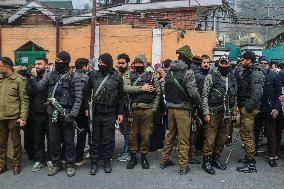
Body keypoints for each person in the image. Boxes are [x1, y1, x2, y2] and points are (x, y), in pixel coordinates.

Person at [28, 51, 84, 177]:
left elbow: (78, 98)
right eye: (56, 60)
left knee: (69, 141)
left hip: (67, 114)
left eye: (59, 60)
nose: (57, 62)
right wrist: (33, 77)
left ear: (66, 62)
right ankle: (56, 164)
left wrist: (72, 114)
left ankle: (70, 164)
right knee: (54, 141)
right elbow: (39, 87)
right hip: (52, 113)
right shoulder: (51, 74)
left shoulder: (74, 76)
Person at [160, 59, 201, 175]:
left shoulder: (168, 72)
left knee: (170, 135)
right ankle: (183, 166)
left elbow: (164, 89)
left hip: (170, 108)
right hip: (183, 109)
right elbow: (193, 93)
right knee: (184, 138)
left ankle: (164, 161)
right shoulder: (187, 72)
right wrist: (199, 104)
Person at [88, 53, 124, 175]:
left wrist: (120, 113)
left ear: (108, 64)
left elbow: (121, 97)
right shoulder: (93, 75)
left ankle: (107, 161)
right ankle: (94, 162)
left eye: (102, 63)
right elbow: (86, 92)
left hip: (110, 113)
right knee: (95, 139)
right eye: (99, 62)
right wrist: (86, 108)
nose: (100, 65)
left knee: (107, 140)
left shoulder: (117, 77)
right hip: (97, 112)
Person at [201, 56, 237, 175]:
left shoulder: (232, 77)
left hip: (227, 113)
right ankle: (206, 160)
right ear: (218, 63)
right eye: (222, 62)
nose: (224, 64)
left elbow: (234, 95)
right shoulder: (211, 76)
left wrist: (234, 111)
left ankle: (216, 158)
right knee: (210, 138)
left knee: (222, 138)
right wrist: (205, 112)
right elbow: (204, 95)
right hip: (213, 112)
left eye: (226, 62)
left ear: (229, 64)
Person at [126, 54, 160, 170]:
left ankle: (144, 157)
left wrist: (154, 108)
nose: (138, 65)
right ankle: (133, 157)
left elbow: (158, 93)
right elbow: (126, 88)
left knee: (145, 135)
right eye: (136, 63)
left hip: (147, 109)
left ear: (144, 64)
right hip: (134, 109)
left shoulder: (151, 76)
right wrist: (142, 88)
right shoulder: (129, 75)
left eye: (141, 63)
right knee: (132, 135)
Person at [236, 51, 266, 173]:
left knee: (247, 134)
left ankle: (251, 163)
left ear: (249, 60)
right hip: (245, 107)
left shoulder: (255, 73)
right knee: (245, 132)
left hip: (249, 109)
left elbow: (257, 93)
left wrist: (247, 107)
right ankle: (248, 158)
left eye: (243, 59)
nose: (242, 61)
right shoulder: (249, 71)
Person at [0, 57, 29, 175]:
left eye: (0, 66)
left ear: (6, 66)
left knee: (16, 142)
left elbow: (24, 100)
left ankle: (17, 164)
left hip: (13, 117)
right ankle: (2, 165)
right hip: (1, 117)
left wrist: (23, 118)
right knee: (1, 143)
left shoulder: (19, 80)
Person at [254, 56, 282, 167]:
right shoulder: (255, 74)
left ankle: (271, 155)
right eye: (262, 62)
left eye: (266, 63)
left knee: (271, 134)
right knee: (255, 131)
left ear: (269, 64)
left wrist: (276, 108)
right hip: (257, 108)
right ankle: (254, 151)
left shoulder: (275, 75)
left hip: (270, 109)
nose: (264, 64)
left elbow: (280, 93)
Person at [27, 57, 52, 172]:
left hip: (48, 113)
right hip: (36, 114)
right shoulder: (32, 79)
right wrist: (32, 79)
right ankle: (39, 160)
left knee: (51, 138)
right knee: (38, 139)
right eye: (35, 64)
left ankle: (50, 159)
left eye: (39, 64)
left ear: (46, 65)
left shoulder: (51, 77)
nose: (36, 66)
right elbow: (29, 93)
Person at [193, 55, 211, 155]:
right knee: (200, 128)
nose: (206, 64)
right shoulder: (197, 75)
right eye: (204, 62)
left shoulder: (212, 74)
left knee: (208, 128)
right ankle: (198, 148)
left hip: (209, 105)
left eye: (208, 63)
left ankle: (207, 147)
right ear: (201, 63)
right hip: (199, 105)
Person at [74, 58, 89, 167]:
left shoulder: (70, 75)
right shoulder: (85, 77)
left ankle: (67, 157)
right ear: (84, 66)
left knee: (69, 133)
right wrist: (86, 109)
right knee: (82, 132)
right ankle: (78, 158)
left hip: (70, 108)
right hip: (81, 109)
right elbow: (85, 96)